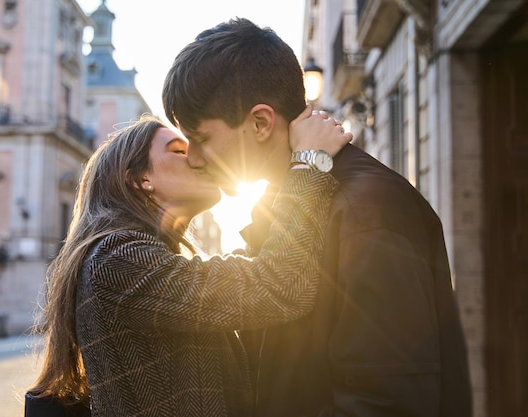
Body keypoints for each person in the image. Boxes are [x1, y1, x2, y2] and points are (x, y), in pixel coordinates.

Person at [162, 17, 473, 417]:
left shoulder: (370, 209)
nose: (192, 157)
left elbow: (386, 404)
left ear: (260, 122)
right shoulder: (287, 207)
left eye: (200, 138)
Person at [26, 113, 350, 417]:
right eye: (179, 150)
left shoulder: (141, 258)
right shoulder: (116, 260)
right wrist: (309, 162)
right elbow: (277, 285)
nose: (198, 157)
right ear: (140, 178)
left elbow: (249, 270)